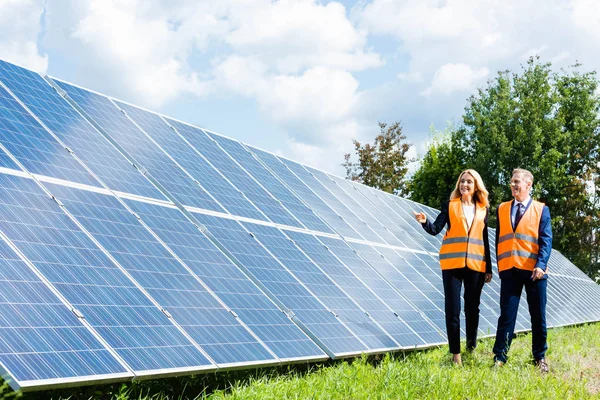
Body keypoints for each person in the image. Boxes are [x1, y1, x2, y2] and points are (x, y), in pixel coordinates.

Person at [413, 169, 492, 365]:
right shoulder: (450, 206)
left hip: (476, 264)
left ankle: (471, 346)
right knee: (453, 309)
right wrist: (425, 222)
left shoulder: (483, 209)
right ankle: (456, 354)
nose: (465, 185)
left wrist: (488, 268)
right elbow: (435, 229)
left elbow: (484, 239)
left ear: (476, 187)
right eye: (462, 181)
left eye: (469, 182)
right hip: (452, 265)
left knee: (472, 308)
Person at [492, 168, 552, 372]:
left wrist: (541, 265)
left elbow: (546, 241)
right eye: (511, 182)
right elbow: (499, 238)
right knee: (506, 316)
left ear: (528, 185)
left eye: (517, 182)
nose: (513, 185)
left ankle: (539, 357)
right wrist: (501, 266)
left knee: (538, 317)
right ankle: (500, 357)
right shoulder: (501, 209)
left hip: (534, 272)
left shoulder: (541, 209)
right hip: (510, 270)